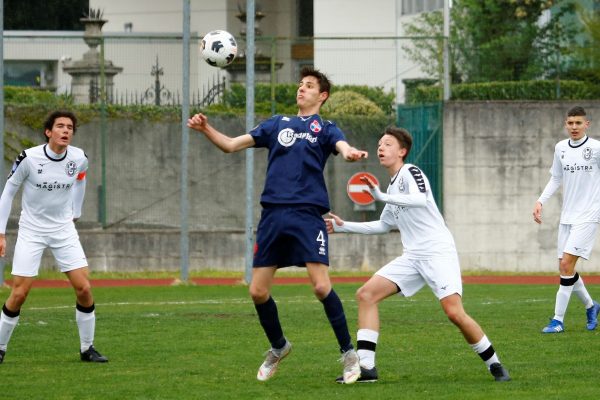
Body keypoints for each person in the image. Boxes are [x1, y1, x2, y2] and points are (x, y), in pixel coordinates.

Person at [187, 67, 368, 383]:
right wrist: (206, 129)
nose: (302, 89)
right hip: (273, 215)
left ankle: (348, 354)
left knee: (322, 286)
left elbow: (342, 146)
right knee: (257, 292)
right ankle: (279, 346)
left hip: (307, 215)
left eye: (309, 86)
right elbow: (230, 145)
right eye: (300, 85)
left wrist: (349, 152)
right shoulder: (276, 124)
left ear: (322, 95)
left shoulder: (325, 128)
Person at [326, 126, 510, 383]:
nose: (381, 147)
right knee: (366, 295)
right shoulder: (391, 187)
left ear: (402, 151)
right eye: (380, 144)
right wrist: (344, 226)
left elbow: (421, 199)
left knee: (454, 313)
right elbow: (382, 225)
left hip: (437, 251)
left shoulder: (411, 172)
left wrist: (380, 195)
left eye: (388, 144)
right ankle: (367, 368)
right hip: (412, 256)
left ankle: (495, 365)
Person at [0, 110, 107, 364]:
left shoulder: (79, 158)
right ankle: (0, 347)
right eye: (60, 126)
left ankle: (87, 349)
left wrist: (76, 212)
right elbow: (8, 192)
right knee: (19, 293)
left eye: (70, 127)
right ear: (49, 132)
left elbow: (81, 179)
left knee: (84, 287)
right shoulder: (29, 158)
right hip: (31, 230)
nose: (66, 130)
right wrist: (1, 232)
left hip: (63, 230)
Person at [533, 106, 600, 334]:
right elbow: (556, 179)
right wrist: (540, 201)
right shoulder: (560, 148)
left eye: (578, 123)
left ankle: (557, 321)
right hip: (567, 216)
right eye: (570, 123)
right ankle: (591, 306)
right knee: (566, 269)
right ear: (565, 124)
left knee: (565, 265)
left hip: (589, 216)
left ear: (586, 124)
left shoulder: (596, 148)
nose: (574, 127)